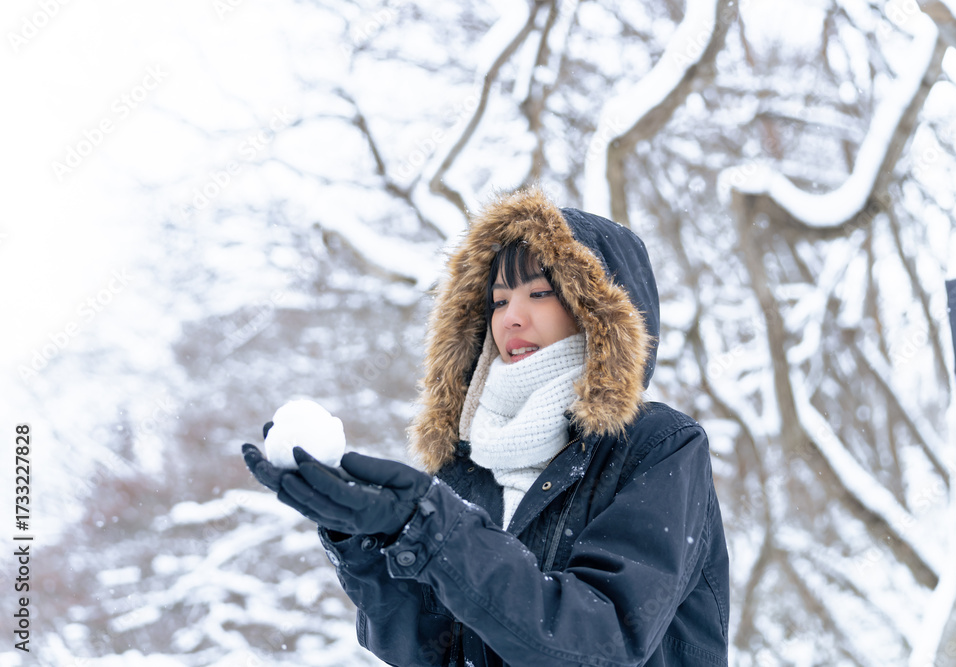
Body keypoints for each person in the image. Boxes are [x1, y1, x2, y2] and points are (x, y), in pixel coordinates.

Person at [243, 186, 729, 666]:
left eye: (540, 293)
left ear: (598, 314)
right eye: (498, 301)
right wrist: (369, 538)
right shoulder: (472, 460)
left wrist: (435, 528)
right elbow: (427, 650)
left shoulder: (658, 446)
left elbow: (603, 639)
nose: (511, 318)